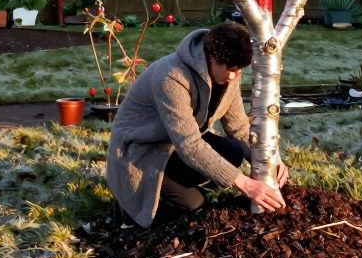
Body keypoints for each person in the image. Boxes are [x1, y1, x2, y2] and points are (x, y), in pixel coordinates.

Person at [106, 21, 289, 227]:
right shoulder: (172, 77)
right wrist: (244, 183)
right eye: (229, 69)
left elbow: (238, 127)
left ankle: (181, 186)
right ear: (211, 57)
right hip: (141, 152)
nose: (233, 76)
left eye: (238, 70)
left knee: (233, 153)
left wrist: (269, 159)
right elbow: (189, 144)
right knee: (194, 206)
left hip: (175, 142)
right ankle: (135, 202)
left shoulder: (229, 74)